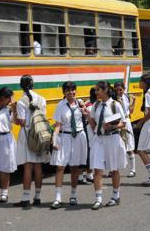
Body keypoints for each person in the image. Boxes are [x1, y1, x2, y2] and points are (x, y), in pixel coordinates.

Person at [86, 81, 127, 210]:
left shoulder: (115, 105)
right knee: (97, 169)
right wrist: (94, 127)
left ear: (105, 90)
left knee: (113, 169)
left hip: (112, 139)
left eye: (98, 89)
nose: (96, 92)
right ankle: (98, 198)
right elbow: (92, 119)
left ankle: (116, 196)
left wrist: (112, 126)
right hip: (99, 139)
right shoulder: (97, 105)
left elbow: (123, 123)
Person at [50, 81, 87, 209]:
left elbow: (88, 118)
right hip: (64, 136)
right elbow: (57, 125)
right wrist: (54, 140)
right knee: (60, 167)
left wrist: (85, 111)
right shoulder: (60, 105)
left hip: (78, 137)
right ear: (64, 93)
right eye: (68, 91)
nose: (71, 93)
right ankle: (57, 198)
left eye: (73, 90)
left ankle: (73, 195)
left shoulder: (80, 104)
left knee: (75, 167)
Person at [14, 75, 50, 208]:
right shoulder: (42, 99)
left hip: (27, 135)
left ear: (21, 86)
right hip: (40, 134)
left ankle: (25, 198)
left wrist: (14, 111)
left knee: (28, 167)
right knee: (38, 166)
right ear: (33, 85)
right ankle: (38, 197)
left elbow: (22, 122)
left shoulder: (21, 101)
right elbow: (43, 117)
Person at [115, 81, 137, 178]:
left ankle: (133, 169)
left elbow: (130, 110)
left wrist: (134, 102)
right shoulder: (113, 99)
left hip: (126, 121)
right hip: (117, 122)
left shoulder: (127, 97)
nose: (119, 92)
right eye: (117, 90)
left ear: (124, 89)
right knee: (116, 146)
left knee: (129, 146)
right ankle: (114, 169)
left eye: (120, 90)